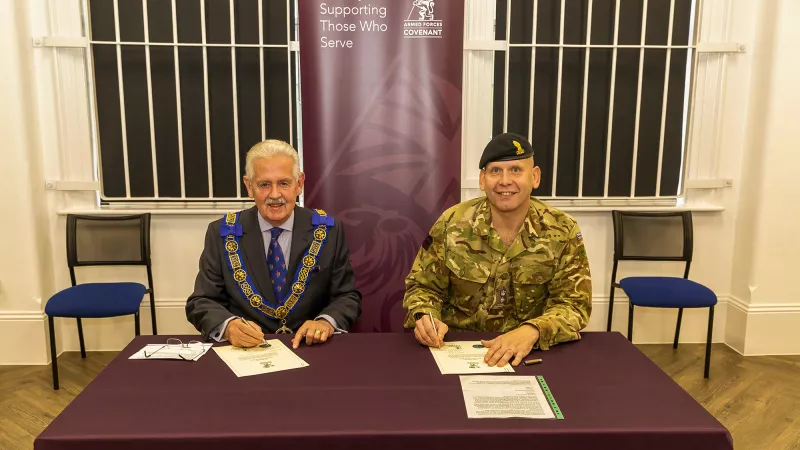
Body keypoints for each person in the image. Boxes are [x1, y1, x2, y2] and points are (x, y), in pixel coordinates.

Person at [403, 133, 591, 367]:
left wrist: (532, 331)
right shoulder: (452, 223)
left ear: (535, 177)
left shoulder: (562, 230)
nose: (504, 181)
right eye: (495, 171)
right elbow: (422, 286)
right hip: (455, 350)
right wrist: (425, 316)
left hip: (529, 353)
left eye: (515, 170)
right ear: (482, 180)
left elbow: (574, 305)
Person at [186, 140, 362, 349]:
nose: (275, 195)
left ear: (299, 183)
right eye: (264, 184)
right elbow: (201, 301)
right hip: (246, 353)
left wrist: (325, 322)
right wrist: (229, 326)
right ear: (249, 186)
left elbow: (347, 296)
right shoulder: (221, 233)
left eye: (284, 183)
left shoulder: (329, 231)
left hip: (310, 349)